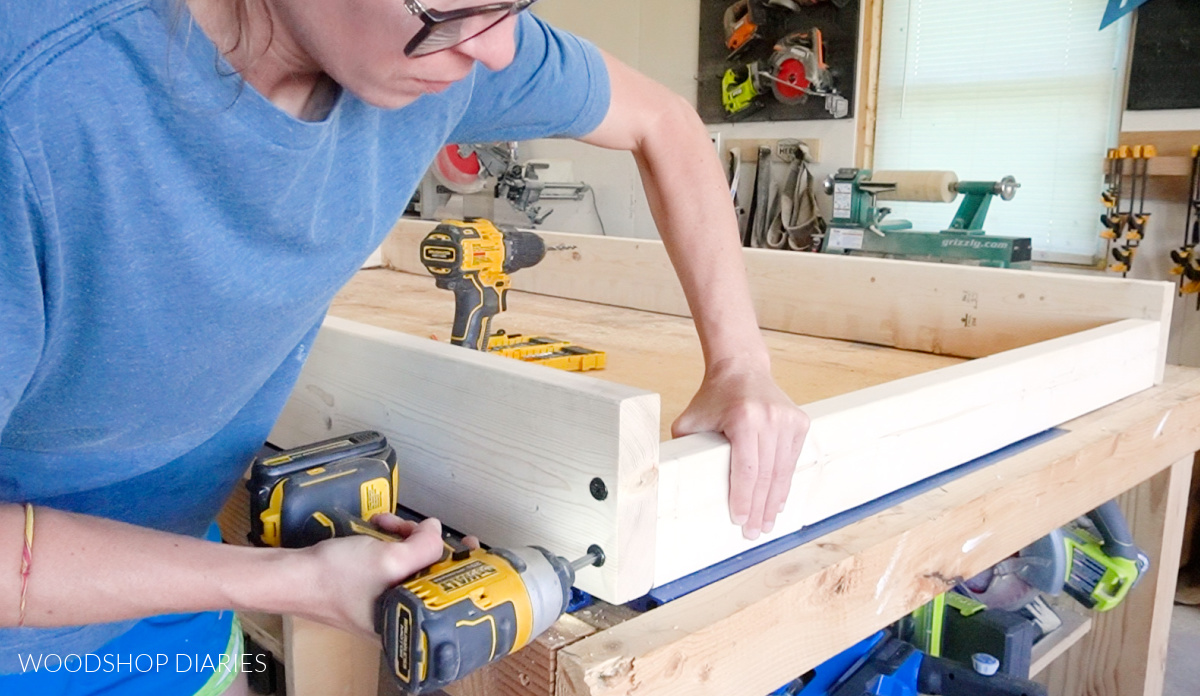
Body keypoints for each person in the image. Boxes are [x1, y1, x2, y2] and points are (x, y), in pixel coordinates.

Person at [0, 0, 810, 692]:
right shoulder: (36, 95)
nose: (493, 48)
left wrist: (740, 362)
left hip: (170, 597)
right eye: (442, 7)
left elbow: (663, 120)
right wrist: (286, 582)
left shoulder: (454, 42)